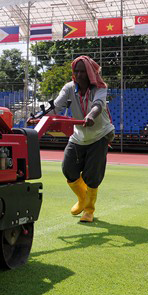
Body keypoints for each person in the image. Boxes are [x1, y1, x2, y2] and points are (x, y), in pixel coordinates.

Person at [52, 55, 115, 222]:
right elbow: (56, 106)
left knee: (92, 175)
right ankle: (82, 198)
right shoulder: (69, 88)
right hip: (79, 135)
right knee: (68, 168)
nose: (79, 75)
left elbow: (98, 105)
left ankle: (89, 210)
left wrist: (91, 115)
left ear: (90, 73)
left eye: (82, 71)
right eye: (76, 71)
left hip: (99, 134)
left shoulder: (99, 88)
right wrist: (40, 116)